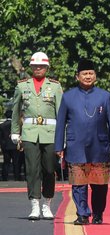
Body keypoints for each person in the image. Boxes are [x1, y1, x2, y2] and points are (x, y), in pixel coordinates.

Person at [54, 59, 110, 225]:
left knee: (100, 184)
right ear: (77, 76)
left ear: (95, 76)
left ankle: (98, 213)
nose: (88, 76)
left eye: (91, 73)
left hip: (100, 145)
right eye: (84, 74)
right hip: (75, 145)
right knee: (78, 183)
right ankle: (82, 214)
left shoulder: (105, 96)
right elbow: (61, 122)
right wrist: (58, 146)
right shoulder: (68, 97)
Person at [11, 52, 63, 220]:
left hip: (50, 134)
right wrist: (15, 131)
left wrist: (63, 137)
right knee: (32, 170)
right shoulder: (22, 86)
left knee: (49, 169)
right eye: (35, 66)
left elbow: (61, 114)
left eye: (42, 66)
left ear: (47, 68)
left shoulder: (55, 86)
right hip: (29, 133)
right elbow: (16, 111)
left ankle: (47, 203)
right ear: (31, 67)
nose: (38, 68)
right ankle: (34, 203)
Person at [1, 110, 22, 181]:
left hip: (5, 146)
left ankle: (4, 177)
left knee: (6, 162)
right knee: (16, 162)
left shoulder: (2, 125)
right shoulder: (16, 125)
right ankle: (17, 177)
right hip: (14, 145)